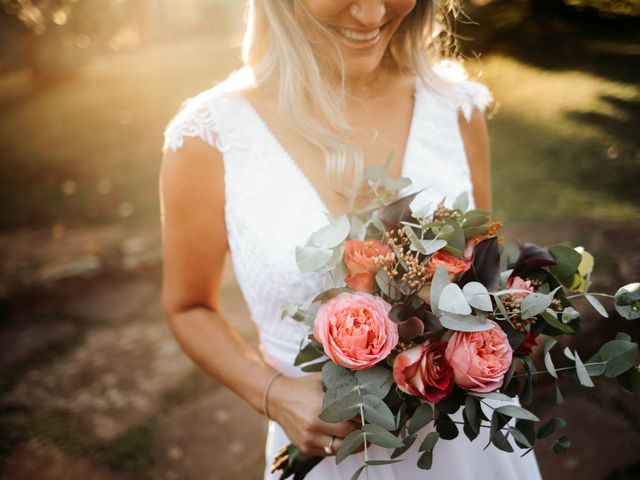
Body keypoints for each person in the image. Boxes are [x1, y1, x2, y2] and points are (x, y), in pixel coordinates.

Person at [160, 1, 542, 478]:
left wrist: (510, 323)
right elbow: (188, 306)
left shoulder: (455, 107)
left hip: (471, 446)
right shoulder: (210, 138)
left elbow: (484, 266)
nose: (371, 14)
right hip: (329, 460)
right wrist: (272, 392)